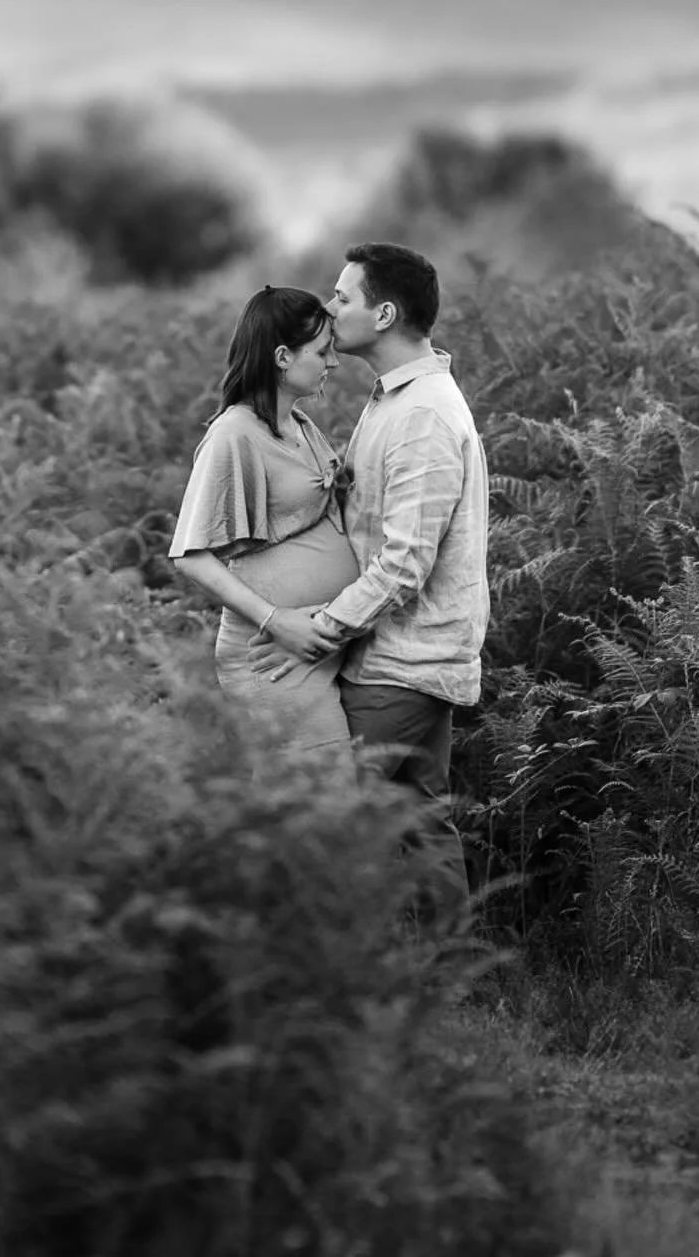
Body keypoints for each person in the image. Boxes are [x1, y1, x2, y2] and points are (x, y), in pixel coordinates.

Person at [254, 242, 489, 923]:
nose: (330, 308)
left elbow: (405, 565)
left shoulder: (421, 417)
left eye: (344, 296)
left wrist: (315, 631)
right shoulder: (396, 400)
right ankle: (452, 986)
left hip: (402, 663)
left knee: (318, 821)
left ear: (384, 314)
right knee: (420, 823)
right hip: (405, 657)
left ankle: (332, 981)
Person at [169, 286, 354, 756]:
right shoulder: (233, 434)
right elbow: (191, 556)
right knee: (323, 802)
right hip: (271, 655)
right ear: (282, 357)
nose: (333, 362)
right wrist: (277, 621)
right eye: (322, 351)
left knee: (317, 805)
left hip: (317, 647)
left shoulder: (302, 426)